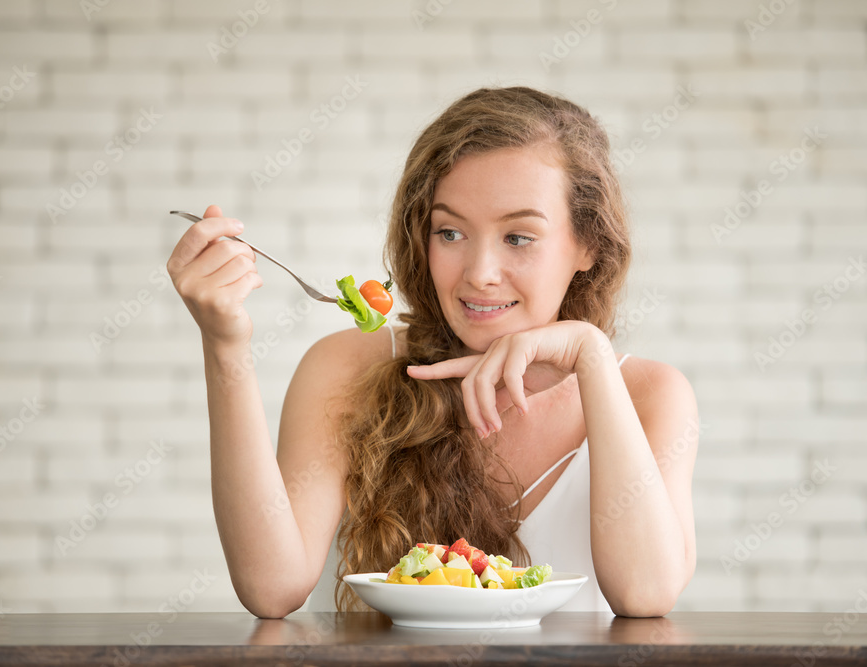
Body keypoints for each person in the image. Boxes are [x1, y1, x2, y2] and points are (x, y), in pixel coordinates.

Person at [166, 86, 698, 618]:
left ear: (588, 245)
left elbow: (645, 595)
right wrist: (225, 346)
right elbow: (271, 587)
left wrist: (593, 358)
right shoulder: (347, 366)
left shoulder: (651, 395)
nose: (479, 273)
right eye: (450, 232)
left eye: (518, 237)